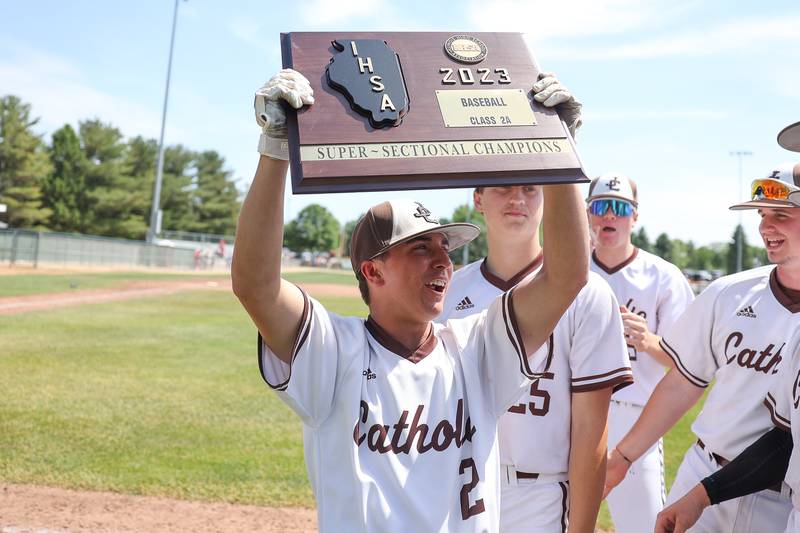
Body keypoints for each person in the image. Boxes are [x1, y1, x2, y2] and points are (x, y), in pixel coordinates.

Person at [231, 68, 589, 532]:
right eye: (421, 248)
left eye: (445, 248)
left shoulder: (476, 346)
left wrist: (558, 152)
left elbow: (566, 277)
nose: (443, 261)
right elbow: (255, 285)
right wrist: (276, 148)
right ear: (373, 271)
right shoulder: (334, 350)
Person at [605, 163, 800, 532]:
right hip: (703, 469)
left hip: (780, 497)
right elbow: (683, 383)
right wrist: (623, 457)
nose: (764, 227)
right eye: (762, 215)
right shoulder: (729, 293)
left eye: (781, 214)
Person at [437, 178, 632, 533]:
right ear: (478, 198)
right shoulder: (449, 291)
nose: (518, 198)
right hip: (458, 485)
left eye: (530, 189)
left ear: (547, 198)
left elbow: (591, 429)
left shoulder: (589, 293)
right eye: (504, 187)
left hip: (539, 493)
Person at [585, 173, 695, 533]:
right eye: (600, 206)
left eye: (619, 207)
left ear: (635, 216)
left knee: (644, 526)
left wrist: (648, 340)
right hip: (573, 416)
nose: (609, 216)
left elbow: (690, 363)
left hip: (635, 419)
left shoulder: (663, 276)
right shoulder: (568, 270)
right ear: (588, 213)